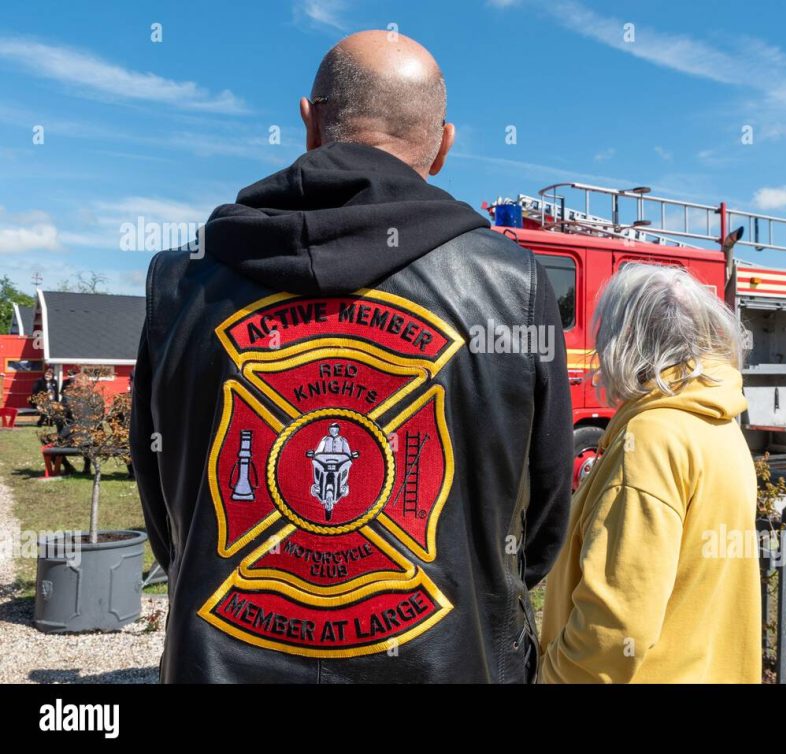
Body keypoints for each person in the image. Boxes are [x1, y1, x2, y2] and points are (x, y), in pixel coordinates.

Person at [130, 30, 572, 683]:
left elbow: (166, 506)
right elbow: (539, 526)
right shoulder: (512, 286)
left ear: (308, 123)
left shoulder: (181, 283)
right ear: (444, 145)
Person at [538, 263, 761, 683]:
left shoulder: (650, 439)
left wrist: (551, 677)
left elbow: (614, 628)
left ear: (621, 342)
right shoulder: (718, 422)